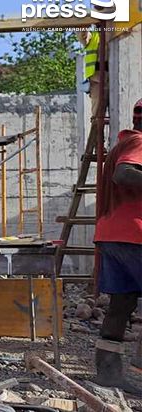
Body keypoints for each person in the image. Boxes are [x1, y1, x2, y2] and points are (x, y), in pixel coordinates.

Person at [93, 99, 142, 395]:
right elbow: (123, 175)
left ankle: (108, 373)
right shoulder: (139, 142)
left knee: (121, 306)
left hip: (112, 234)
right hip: (134, 235)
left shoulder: (123, 142)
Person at [77, 28, 105, 119]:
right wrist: (83, 23)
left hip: (112, 78)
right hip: (97, 79)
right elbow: (82, 36)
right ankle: (96, 132)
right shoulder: (92, 36)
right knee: (97, 115)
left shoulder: (113, 32)